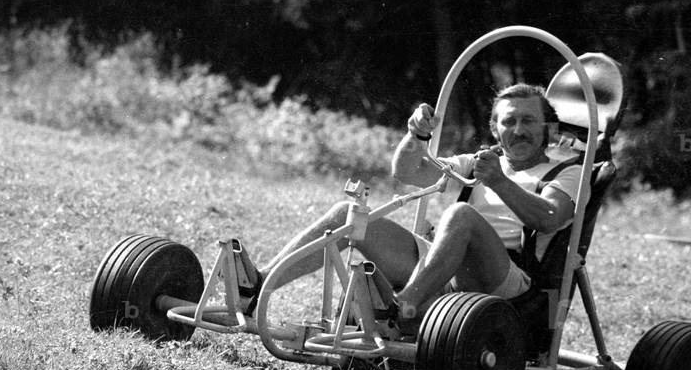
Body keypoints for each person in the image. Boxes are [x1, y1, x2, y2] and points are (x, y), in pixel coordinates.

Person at [237, 83, 582, 331]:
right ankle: (258, 286)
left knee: (461, 214)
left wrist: (500, 183)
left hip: (509, 280)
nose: (518, 130)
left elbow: (550, 218)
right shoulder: (479, 162)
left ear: (548, 129)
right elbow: (408, 172)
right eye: (509, 121)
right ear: (495, 129)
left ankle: (403, 307)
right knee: (348, 214)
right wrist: (415, 137)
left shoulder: (567, 172)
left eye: (528, 121)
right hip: (447, 266)